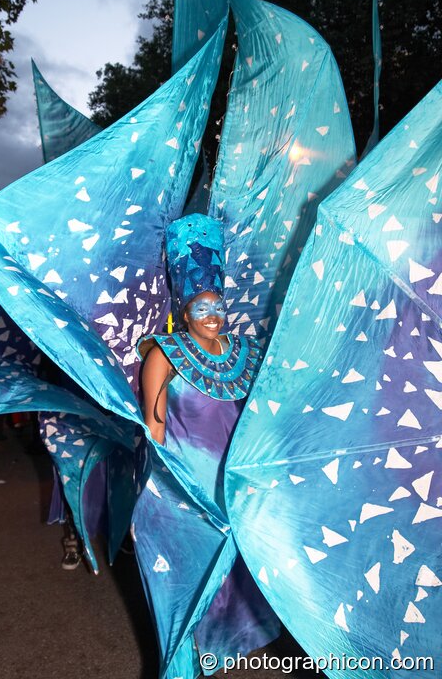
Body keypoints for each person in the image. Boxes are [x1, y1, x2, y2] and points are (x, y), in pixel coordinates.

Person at [133, 214, 280, 679]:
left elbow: (260, 416)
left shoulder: (246, 352)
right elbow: (154, 432)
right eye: (202, 307)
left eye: (219, 305)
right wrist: (153, 498)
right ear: (184, 304)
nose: (213, 315)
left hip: (234, 486)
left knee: (240, 575)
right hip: (189, 491)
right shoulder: (163, 353)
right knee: (190, 579)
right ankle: (186, 658)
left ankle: (228, 644)